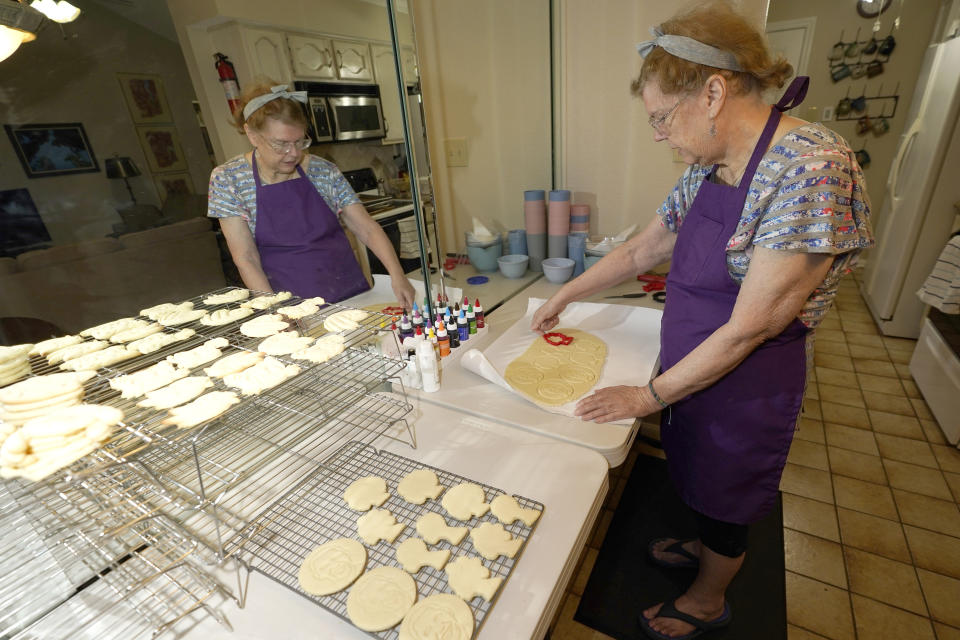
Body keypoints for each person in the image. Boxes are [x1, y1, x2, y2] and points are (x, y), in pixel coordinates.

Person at [531, 3, 874, 638]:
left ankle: (709, 597)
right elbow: (645, 248)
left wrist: (646, 393)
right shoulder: (711, 166)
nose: (659, 134)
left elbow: (751, 326)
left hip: (747, 378)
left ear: (713, 93)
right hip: (693, 361)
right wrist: (564, 296)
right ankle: (705, 548)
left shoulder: (810, 168)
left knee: (728, 490)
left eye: (662, 117)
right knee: (693, 472)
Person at [207, 82, 416, 308]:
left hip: (349, 293)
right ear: (252, 134)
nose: (294, 153)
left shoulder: (323, 171)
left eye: (299, 141)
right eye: (281, 144)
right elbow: (246, 258)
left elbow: (366, 227)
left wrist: (397, 275)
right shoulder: (228, 180)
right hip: (290, 306)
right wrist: (274, 312)